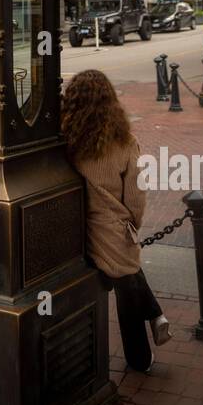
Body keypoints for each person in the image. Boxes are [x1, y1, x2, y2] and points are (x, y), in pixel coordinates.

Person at [61, 69, 172, 373]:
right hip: (113, 227)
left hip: (80, 229)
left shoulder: (67, 141)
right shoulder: (125, 142)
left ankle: (157, 317)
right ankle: (140, 358)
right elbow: (136, 197)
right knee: (127, 285)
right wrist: (131, 223)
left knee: (128, 275)